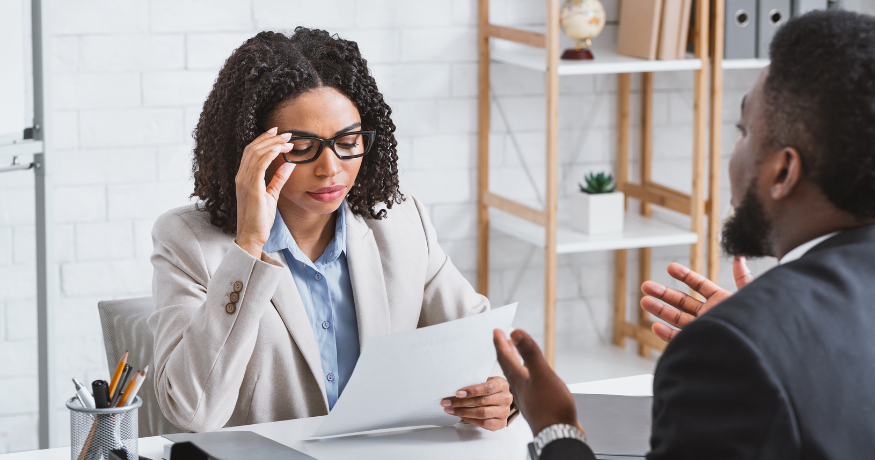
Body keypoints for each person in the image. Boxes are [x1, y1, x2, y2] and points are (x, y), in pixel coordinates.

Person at [493, 10, 875, 460]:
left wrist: (556, 431)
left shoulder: (730, 348)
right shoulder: (750, 339)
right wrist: (763, 329)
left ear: (784, 171)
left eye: (743, 132)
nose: (733, 155)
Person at [148, 28, 514, 433]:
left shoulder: (402, 225)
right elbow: (192, 413)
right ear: (250, 152)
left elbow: (488, 346)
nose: (330, 168)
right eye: (302, 148)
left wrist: (500, 393)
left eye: (348, 141)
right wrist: (249, 246)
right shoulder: (188, 242)